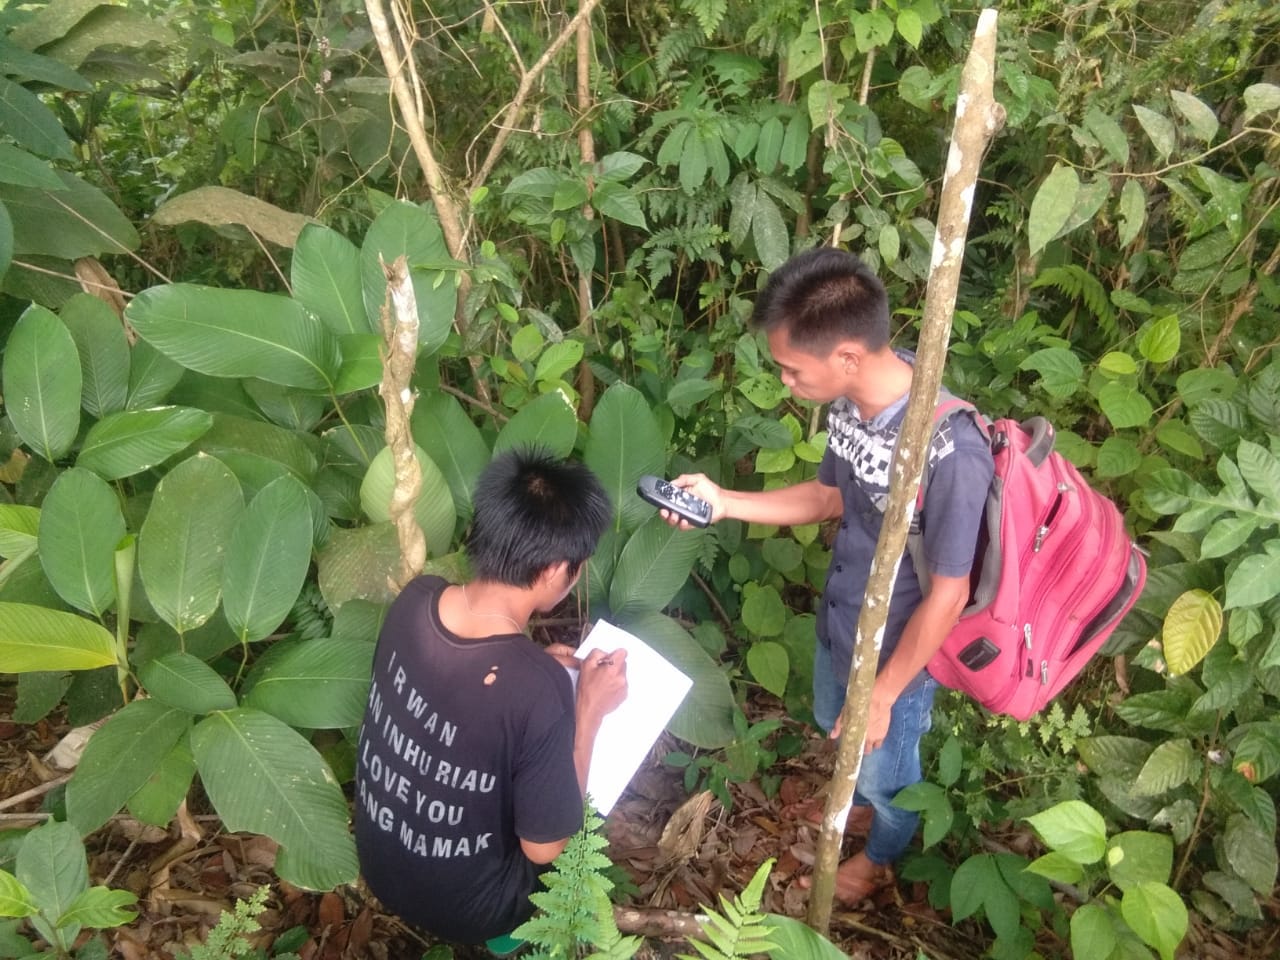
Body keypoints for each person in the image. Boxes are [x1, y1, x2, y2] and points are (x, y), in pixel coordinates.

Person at [664, 248, 993, 903]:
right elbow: (826, 499)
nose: (784, 381)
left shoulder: (950, 450)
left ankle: (880, 856)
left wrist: (885, 693)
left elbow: (951, 592)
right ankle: (859, 798)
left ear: (846, 355)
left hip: (900, 657)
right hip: (842, 619)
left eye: (790, 368)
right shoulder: (852, 406)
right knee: (835, 725)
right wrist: (723, 502)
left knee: (891, 775)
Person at [354, 448, 628, 948]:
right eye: (578, 567)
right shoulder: (538, 689)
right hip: (472, 910)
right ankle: (517, 943)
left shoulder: (415, 600)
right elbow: (546, 849)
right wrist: (588, 711)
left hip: (379, 863)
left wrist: (535, 664)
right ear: (554, 570)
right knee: (568, 829)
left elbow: (456, 694)